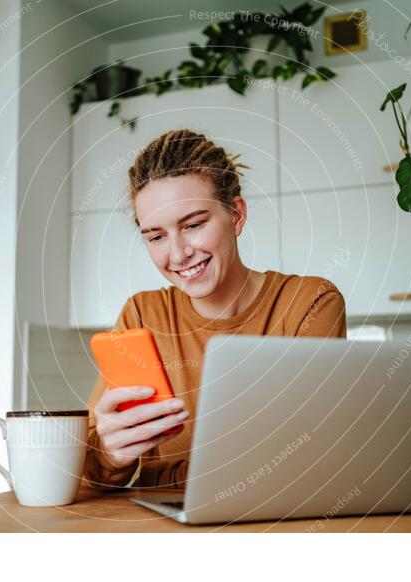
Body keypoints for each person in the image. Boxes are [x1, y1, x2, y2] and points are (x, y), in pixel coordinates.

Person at [83, 129, 347, 490]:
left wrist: (170, 476)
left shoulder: (308, 304)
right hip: (164, 528)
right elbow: (94, 472)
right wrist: (112, 455)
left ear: (236, 215)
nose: (177, 255)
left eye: (193, 225)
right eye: (156, 236)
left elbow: (300, 455)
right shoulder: (143, 315)